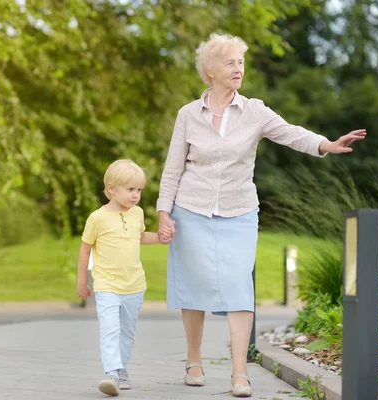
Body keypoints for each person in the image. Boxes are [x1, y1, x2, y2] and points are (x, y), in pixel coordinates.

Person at [156, 32, 366, 398]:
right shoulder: (188, 114)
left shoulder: (254, 110)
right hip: (190, 208)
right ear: (210, 71)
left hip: (239, 210)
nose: (239, 68)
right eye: (230, 62)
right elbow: (173, 169)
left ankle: (240, 373)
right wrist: (163, 212)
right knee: (194, 285)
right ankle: (194, 360)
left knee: (240, 286)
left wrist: (325, 145)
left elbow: (291, 134)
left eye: (241, 62)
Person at [76, 159, 163, 397]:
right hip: (106, 285)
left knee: (127, 332)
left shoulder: (137, 214)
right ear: (112, 189)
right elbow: (85, 249)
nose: (136, 195)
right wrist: (82, 281)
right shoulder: (97, 218)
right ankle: (111, 373)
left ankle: (122, 368)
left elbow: (141, 237)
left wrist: (161, 238)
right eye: (131, 190)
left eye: (139, 190)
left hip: (134, 285)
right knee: (110, 329)